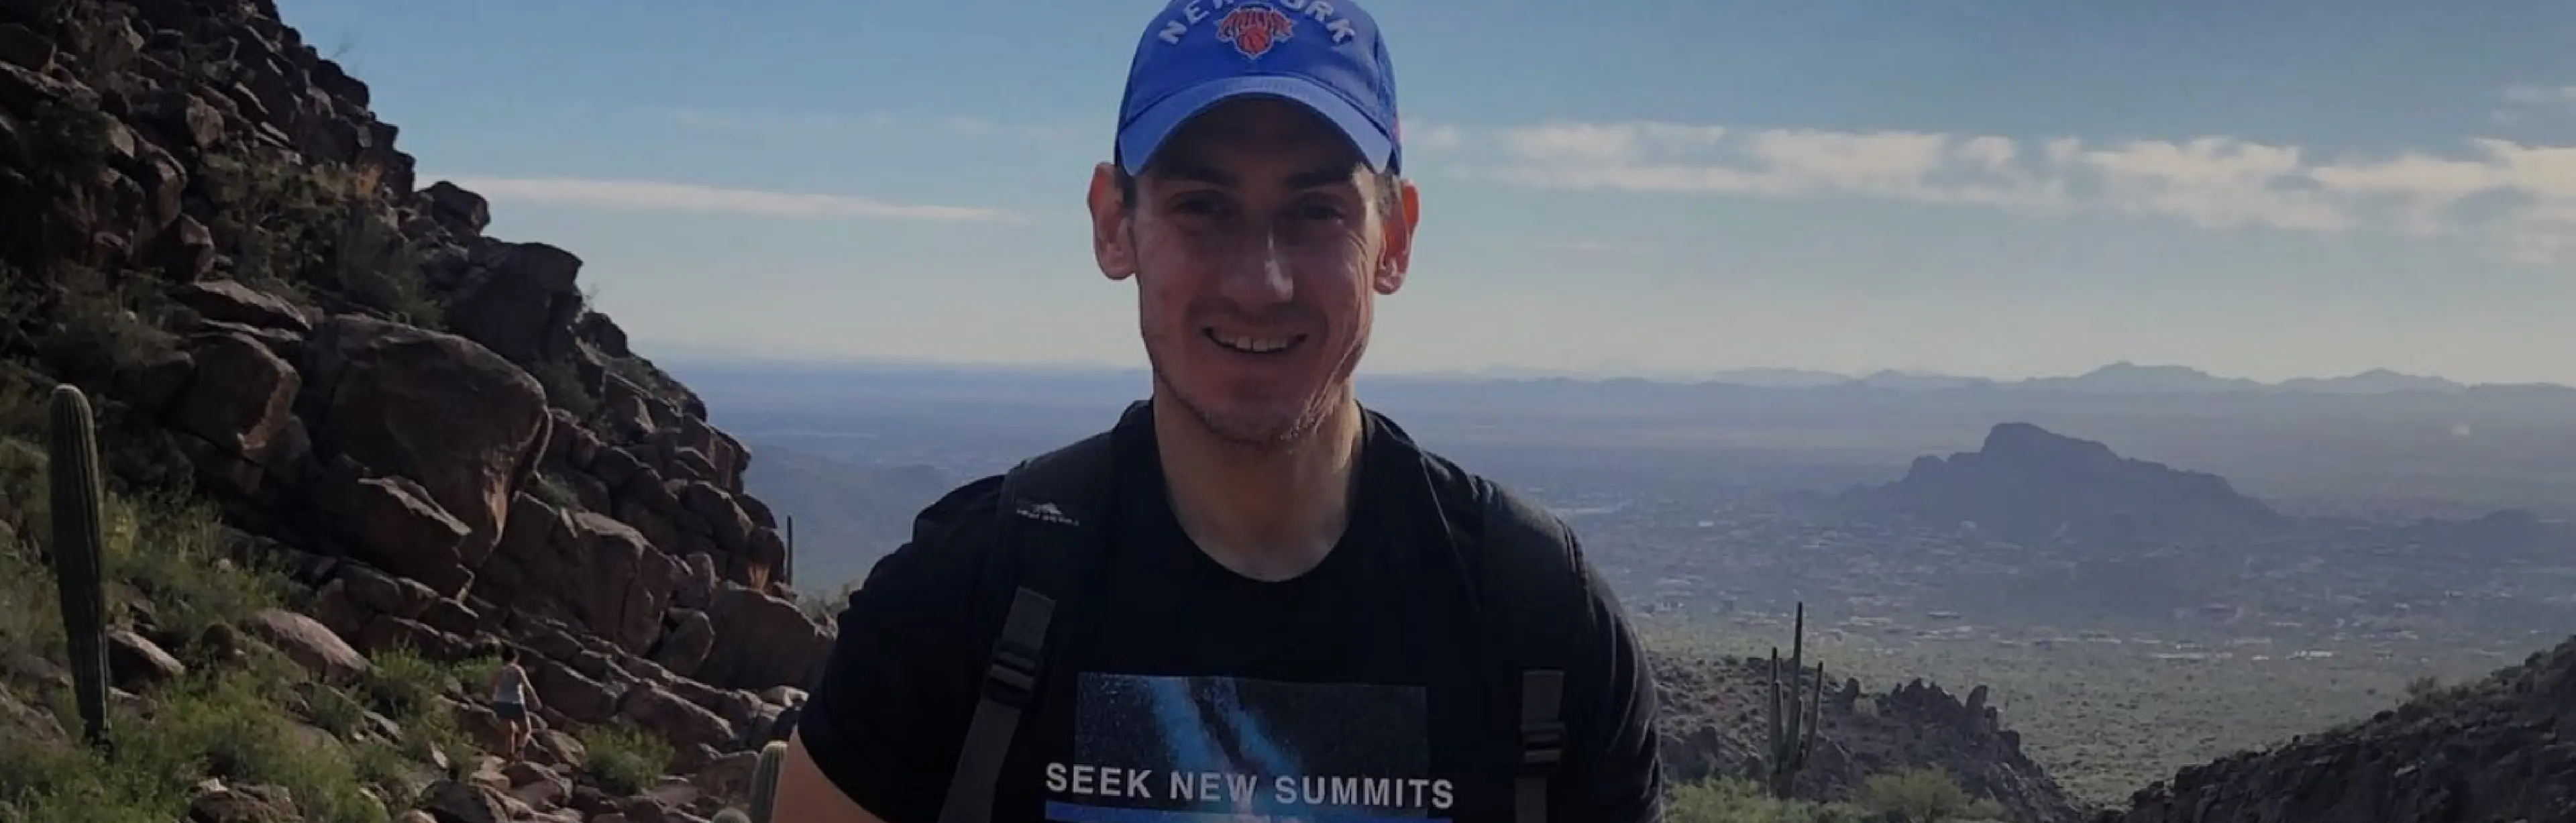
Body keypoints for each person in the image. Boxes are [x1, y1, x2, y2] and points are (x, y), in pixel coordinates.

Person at [773, 1, 1664, 821]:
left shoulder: (1540, 622)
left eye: (1316, 211)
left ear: (1393, 239)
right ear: (1114, 224)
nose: (1259, 281)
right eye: (1202, 206)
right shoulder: (958, 608)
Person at [488, 645, 540, 762]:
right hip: (515, 702)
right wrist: (535, 700)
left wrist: (492, 700)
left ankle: (510, 756)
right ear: (515, 658)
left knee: (509, 731)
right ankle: (519, 749)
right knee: (526, 730)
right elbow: (527, 686)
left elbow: (492, 686)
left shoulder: (499, 671)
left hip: (500, 702)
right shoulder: (517, 670)